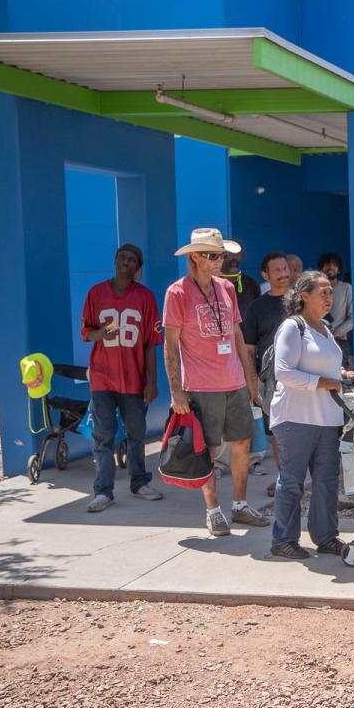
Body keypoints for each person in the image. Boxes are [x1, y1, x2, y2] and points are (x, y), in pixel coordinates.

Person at [162, 228, 271, 536]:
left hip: (234, 382)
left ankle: (239, 505)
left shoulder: (225, 287)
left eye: (222, 254)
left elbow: (236, 334)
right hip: (200, 385)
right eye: (215, 255)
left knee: (242, 443)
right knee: (207, 449)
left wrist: (250, 378)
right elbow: (170, 345)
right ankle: (213, 510)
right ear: (196, 256)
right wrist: (175, 390)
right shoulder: (177, 292)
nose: (221, 260)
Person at [268, 270, 354, 559]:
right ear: (303, 296)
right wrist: (327, 383)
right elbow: (284, 372)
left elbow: (326, 368)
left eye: (330, 292)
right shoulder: (292, 327)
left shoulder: (325, 329)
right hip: (295, 418)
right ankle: (283, 540)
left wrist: (345, 375)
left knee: (326, 481)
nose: (328, 297)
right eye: (322, 292)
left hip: (327, 418)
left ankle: (326, 537)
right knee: (292, 481)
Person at [79, 243, 164, 512]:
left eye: (131, 260)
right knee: (103, 435)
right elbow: (86, 331)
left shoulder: (145, 297)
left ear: (138, 269)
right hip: (103, 377)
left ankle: (139, 482)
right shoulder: (96, 293)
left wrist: (152, 381)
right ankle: (103, 491)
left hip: (134, 377)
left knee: (136, 433)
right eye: (121, 257)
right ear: (115, 260)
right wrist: (99, 334)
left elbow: (151, 342)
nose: (125, 262)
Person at [243, 252, 293, 497]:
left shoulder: (304, 301)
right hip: (271, 381)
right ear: (265, 275)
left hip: (306, 378)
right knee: (276, 432)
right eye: (277, 270)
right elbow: (249, 348)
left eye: (286, 269)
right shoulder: (256, 308)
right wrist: (252, 382)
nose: (284, 274)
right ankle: (285, 478)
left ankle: (309, 479)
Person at [317, 253, 354, 367]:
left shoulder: (346, 288)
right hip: (318, 340)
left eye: (334, 265)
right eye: (327, 265)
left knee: (339, 376)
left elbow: (352, 318)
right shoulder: (315, 289)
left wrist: (335, 332)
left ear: (339, 270)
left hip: (340, 342)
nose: (330, 268)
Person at [220, 245, 261, 316]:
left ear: (242, 256)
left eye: (238, 254)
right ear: (222, 255)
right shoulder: (212, 283)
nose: (234, 257)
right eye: (230, 253)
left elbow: (258, 313)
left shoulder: (251, 284)